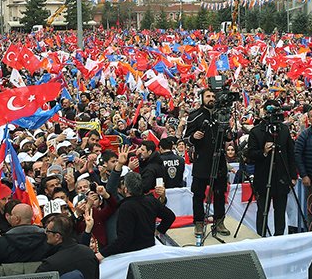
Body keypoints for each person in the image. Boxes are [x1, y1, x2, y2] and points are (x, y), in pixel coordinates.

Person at [183, 86, 230, 237]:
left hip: (220, 160)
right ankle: (198, 223)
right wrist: (193, 137)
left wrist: (229, 130)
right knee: (198, 194)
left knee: (219, 193)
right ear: (202, 98)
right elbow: (186, 138)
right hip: (202, 160)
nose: (211, 98)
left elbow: (228, 137)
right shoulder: (195, 116)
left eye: (213, 96)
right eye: (208, 96)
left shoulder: (221, 114)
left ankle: (219, 222)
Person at [245, 100, 296, 237]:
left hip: (281, 178)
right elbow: (250, 155)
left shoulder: (284, 130)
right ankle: (261, 237)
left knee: (280, 211)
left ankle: (279, 237)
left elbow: (291, 154)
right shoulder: (256, 131)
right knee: (262, 210)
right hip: (263, 178)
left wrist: (293, 176)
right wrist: (264, 152)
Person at [98, 172, 174, 258]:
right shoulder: (151, 201)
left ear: (126, 190)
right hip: (151, 249)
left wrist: (102, 254)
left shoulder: (126, 207)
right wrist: (158, 231)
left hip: (132, 254)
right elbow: (170, 216)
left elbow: (124, 239)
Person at [37, 214, 99, 279]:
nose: (45, 233)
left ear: (57, 236)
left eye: (48, 231)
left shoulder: (50, 263)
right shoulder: (88, 253)